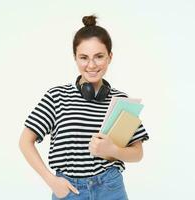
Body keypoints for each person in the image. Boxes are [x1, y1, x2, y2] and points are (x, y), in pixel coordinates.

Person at [19, 14, 149, 200]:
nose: (91, 65)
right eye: (84, 57)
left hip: (111, 187)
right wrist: (51, 180)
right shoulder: (57, 97)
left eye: (99, 56)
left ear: (110, 57)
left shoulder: (121, 101)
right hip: (70, 190)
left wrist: (112, 150)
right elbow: (25, 141)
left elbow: (138, 153)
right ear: (75, 58)